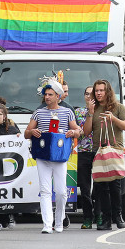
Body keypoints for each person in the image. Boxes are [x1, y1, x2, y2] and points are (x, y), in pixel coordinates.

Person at [25, 77, 81, 233]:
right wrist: (32, 132)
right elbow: (26, 133)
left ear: (58, 96)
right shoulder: (38, 113)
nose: (47, 97)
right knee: (45, 190)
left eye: (50, 94)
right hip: (42, 156)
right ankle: (47, 224)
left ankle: (59, 220)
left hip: (60, 156)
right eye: (46, 94)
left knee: (62, 191)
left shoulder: (67, 112)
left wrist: (73, 132)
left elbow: (78, 130)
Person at [83, 79, 125, 231]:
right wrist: (90, 114)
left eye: (101, 90)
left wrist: (113, 118)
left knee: (115, 186)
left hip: (115, 149)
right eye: (96, 91)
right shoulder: (94, 108)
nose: (98, 93)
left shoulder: (118, 107)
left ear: (108, 91)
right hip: (99, 151)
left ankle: (119, 216)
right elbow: (86, 131)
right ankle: (106, 219)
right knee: (101, 187)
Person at [75, 86, 101, 229]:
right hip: (83, 151)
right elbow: (83, 132)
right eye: (87, 94)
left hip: (98, 151)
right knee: (85, 188)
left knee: (99, 186)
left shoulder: (102, 111)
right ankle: (87, 217)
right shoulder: (79, 112)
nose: (90, 96)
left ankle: (99, 214)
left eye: (93, 94)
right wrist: (90, 114)